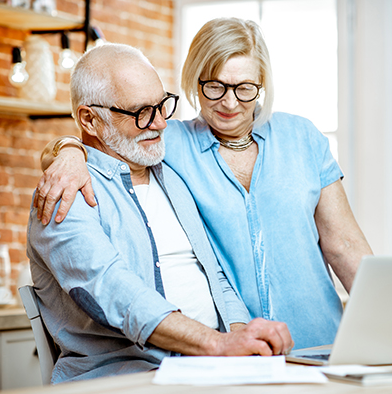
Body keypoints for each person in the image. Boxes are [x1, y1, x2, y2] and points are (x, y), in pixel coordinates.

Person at [33, 18, 373, 350]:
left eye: (244, 88)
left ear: (262, 84)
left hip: (318, 338)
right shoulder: (171, 142)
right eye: (215, 86)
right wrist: (68, 151)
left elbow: (343, 243)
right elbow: (107, 141)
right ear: (195, 81)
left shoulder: (302, 138)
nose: (229, 102)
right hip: (240, 348)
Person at [26, 43, 292, 384]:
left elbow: (214, 277)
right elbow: (115, 292)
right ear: (90, 119)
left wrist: (243, 340)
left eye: (162, 105)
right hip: (129, 376)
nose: (161, 123)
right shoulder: (64, 193)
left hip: (211, 366)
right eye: (141, 112)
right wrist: (218, 344)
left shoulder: (172, 177)